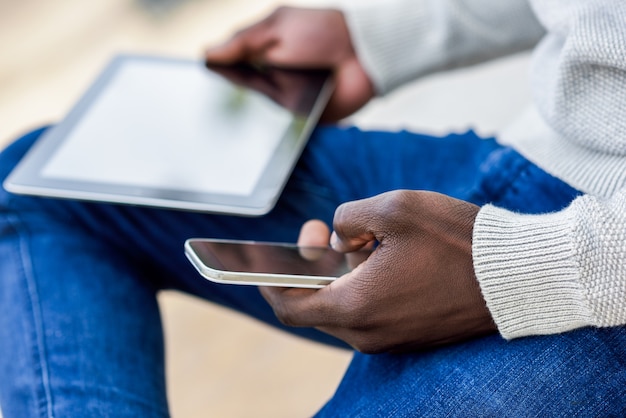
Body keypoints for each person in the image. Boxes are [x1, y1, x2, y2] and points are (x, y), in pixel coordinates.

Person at [1, 0, 625, 416]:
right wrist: (368, 38)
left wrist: (530, 270)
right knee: (38, 184)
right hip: (543, 152)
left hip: (604, 275)